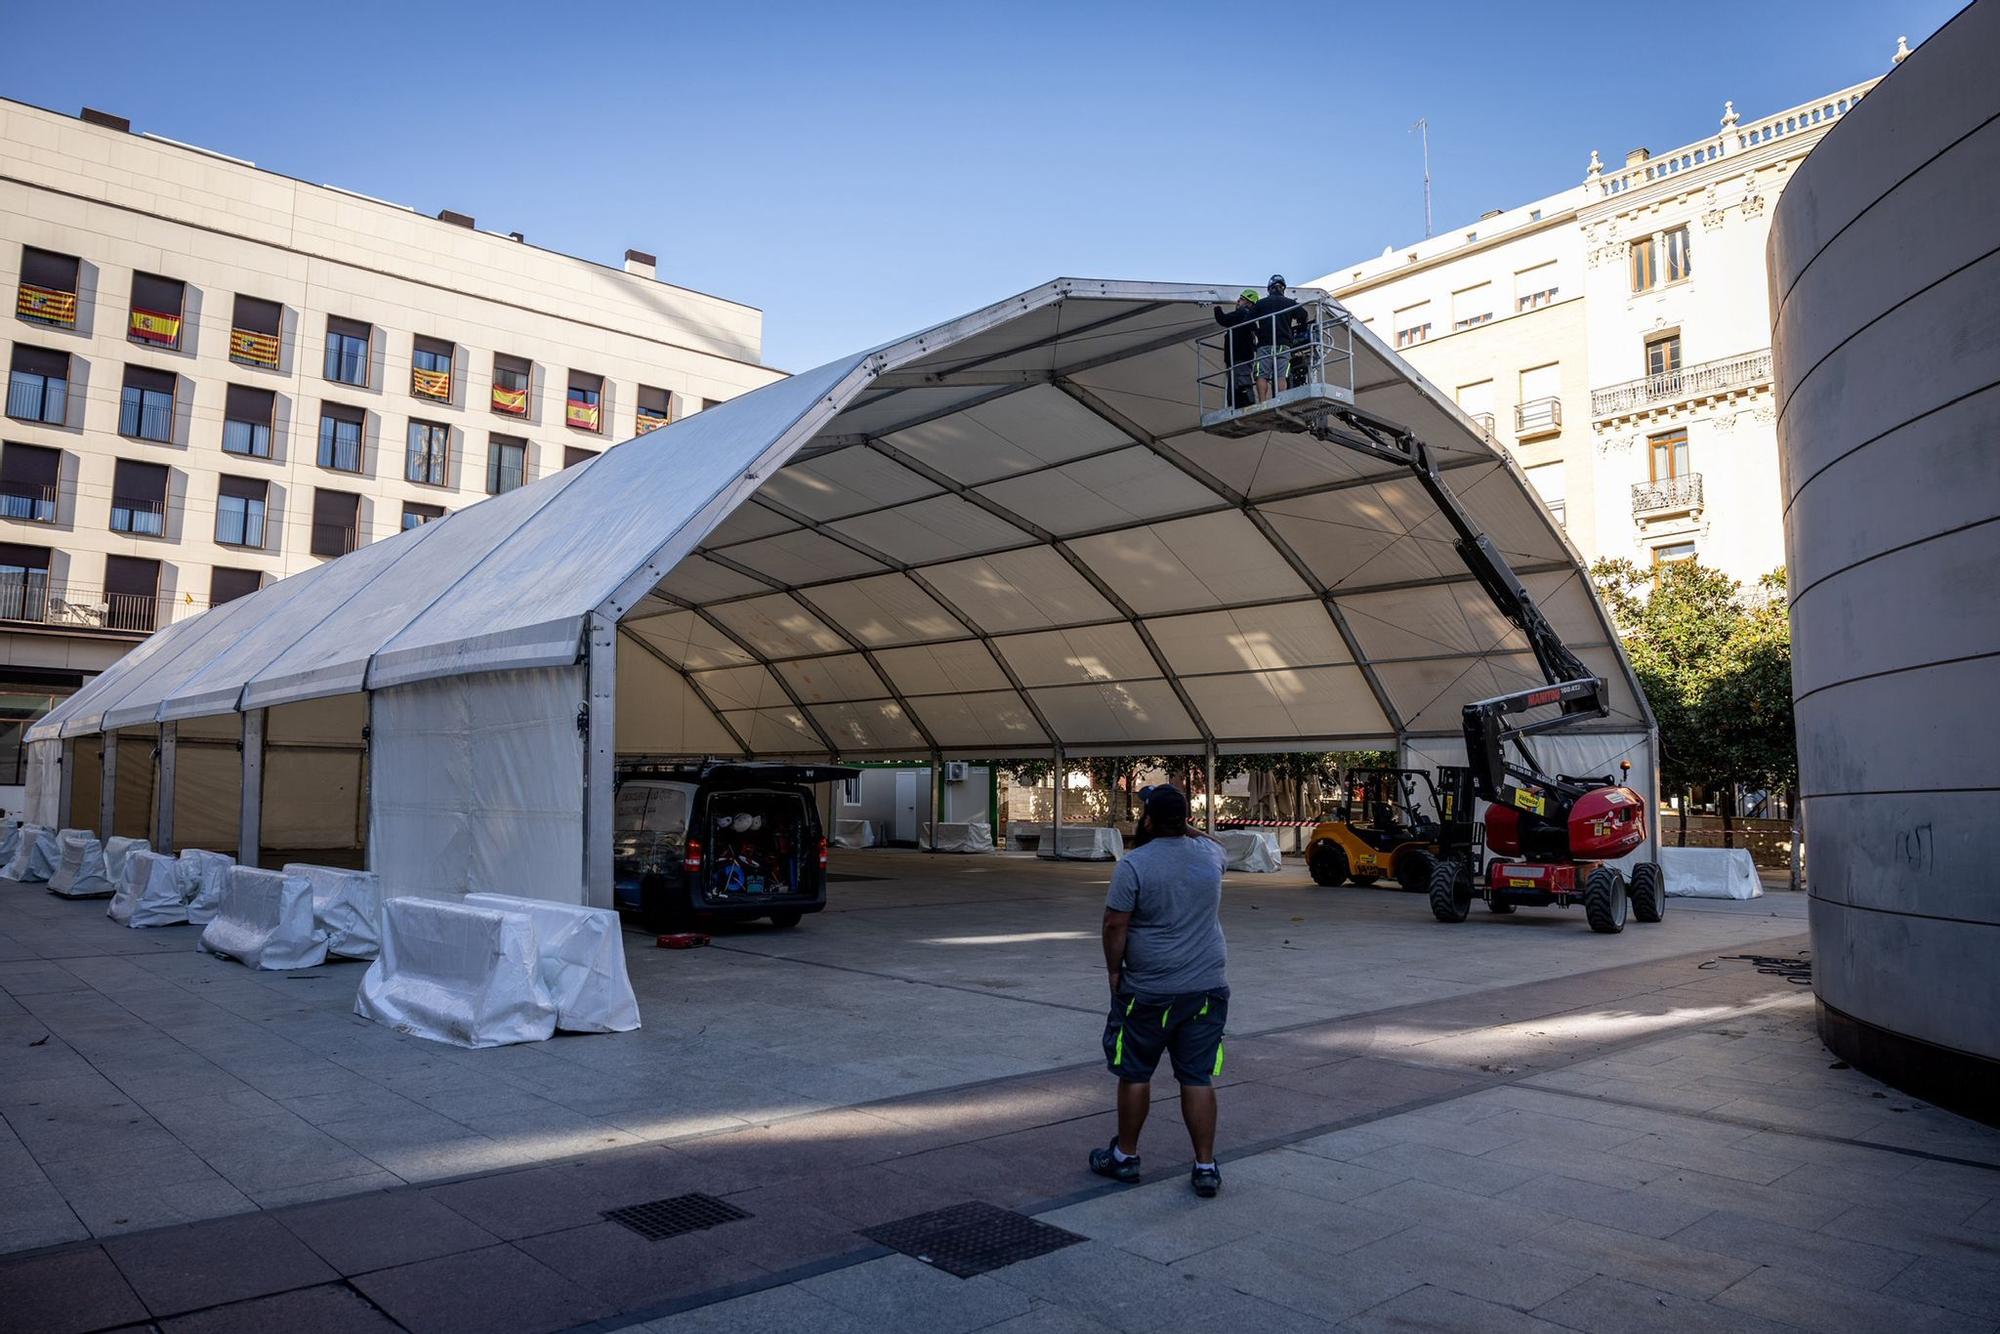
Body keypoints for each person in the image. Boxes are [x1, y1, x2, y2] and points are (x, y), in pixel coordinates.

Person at [1090, 784, 1230, 1198]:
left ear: (1148, 820)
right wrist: (1188, 827)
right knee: (1197, 1076)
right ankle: (1205, 1166)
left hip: (1148, 990)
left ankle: (1126, 1156)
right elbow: (1214, 842)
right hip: (1206, 987)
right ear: (1186, 820)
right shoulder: (1211, 856)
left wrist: (1113, 970)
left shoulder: (1134, 864)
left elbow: (1115, 923)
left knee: (1135, 1072)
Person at [1250, 275, 1306, 402]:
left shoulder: (1261, 303)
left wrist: (1257, 332)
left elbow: (1247, 321)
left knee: (1261, 375)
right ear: (1283, 289)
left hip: (1265, 344)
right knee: (1281, 376)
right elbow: (1303, 315)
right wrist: (1300, 329)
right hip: (1283, 344)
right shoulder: (1290, 303)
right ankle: (1281, 401)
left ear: (1269, 289)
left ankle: (1263, 403)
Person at [1211, 290, 1261, 409]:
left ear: (1249, 303)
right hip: (1241, 356)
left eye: (1241, 299)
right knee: (1237, 383)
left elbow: (1223, 319)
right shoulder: (1249, 317)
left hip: (1239, 356)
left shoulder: (1242, 313)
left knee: (1241, 382)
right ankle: (1238, 404)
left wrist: (1217, 308)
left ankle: (1244, 404)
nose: (1238, 301)